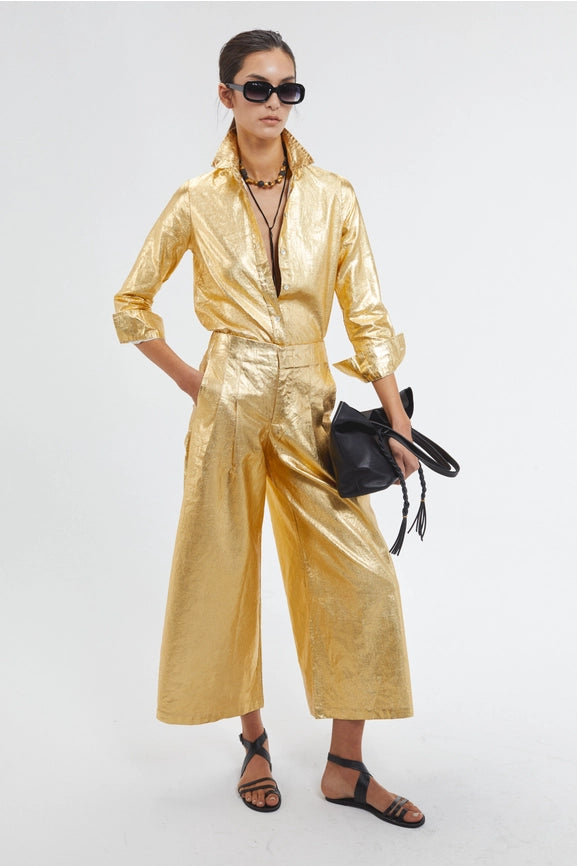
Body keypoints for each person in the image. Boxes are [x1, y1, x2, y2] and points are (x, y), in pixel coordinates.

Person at [113, 29, 424, 827]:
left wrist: (397, 423)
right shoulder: (196, 199)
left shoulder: (333, 195)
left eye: (288, 89)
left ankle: (346, 767)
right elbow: (130, 305)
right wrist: (195, 383)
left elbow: (367, 316)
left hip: (311, 393)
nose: (274, 103)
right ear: (226, 96)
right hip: (230, 393)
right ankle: (252, 741)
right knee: (223, 567)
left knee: (362, 575)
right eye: (256, 88)